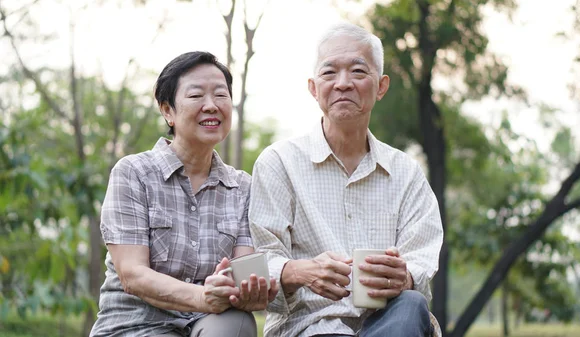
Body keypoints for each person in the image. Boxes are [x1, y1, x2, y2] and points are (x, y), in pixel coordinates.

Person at [248, 22, 444, 337]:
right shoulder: (279, 163)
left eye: (357, 71)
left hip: (391, 324)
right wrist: (303, 271)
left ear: (380, 86)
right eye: (329, 73)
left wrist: (404, 277)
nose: (343, 83)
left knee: (410, 303)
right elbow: (256, 260)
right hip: (310, 327)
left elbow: (421, 259)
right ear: (313, 88)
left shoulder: (406, 173)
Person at [90, 51, 278, 337]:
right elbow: (132, 275)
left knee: (236, 324)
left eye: (221, 95)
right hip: (133, 326)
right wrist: (203, 297)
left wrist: (251, 290)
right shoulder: (133, 173)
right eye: (196, 96)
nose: (211, 106)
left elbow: (242, 272)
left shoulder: (243, 188)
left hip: (207, 322)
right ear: (168, 111)